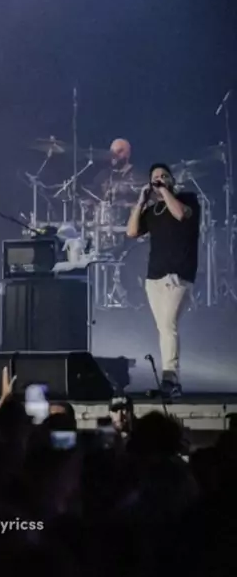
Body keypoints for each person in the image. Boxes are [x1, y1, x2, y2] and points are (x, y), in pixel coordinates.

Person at [127, 163, 200, 399]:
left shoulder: (188, 200)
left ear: (172, 180)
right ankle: (170, 381)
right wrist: (141, 202)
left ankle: (171, 379)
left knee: (168, 326)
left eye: (164, 176)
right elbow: (131, 232)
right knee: (163, 328)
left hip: (178, 275)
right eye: (155, 177)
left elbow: (180, 214)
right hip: (154, 277)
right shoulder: (153, 210)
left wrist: (165, 190)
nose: (159, 179)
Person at [93, 138, 144, 202]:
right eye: (112, 152)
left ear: (128, 154)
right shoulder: (102, 175)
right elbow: (92, 195)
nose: (114, 155)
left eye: (119, 151)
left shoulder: (138, 176)